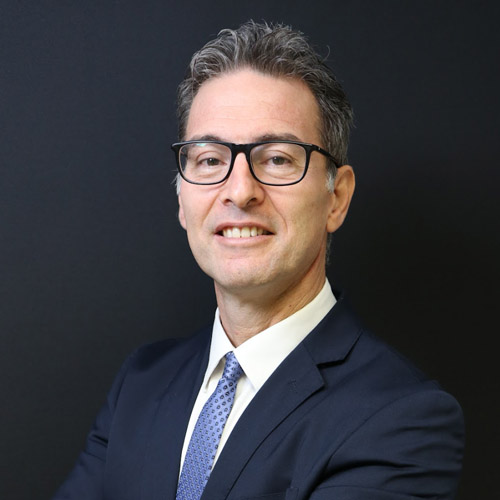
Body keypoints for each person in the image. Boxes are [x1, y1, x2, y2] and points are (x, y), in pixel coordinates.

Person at [53, 21, 464, 500]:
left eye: (277, 159)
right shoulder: (142, 382)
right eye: (210, 159)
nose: (239, 191)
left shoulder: (402, 418)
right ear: (182, 199)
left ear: (337, 199)